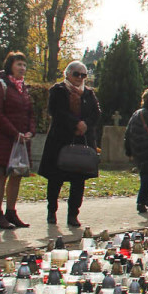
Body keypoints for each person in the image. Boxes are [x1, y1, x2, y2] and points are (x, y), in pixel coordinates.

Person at [38, 60, 101, 228]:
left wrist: (85, 124)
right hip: (60, 140)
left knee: (79, 180)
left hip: (83, 141)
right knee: (55, 179)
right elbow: (56, 111)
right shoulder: (57, 90)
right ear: (67, 74)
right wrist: (75, 123)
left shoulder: (89, 93)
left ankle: (73, 214)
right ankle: (52, 211)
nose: (80, 78)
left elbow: (96, 113)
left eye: (83, 75)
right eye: (76, 74)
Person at [0, 51, 35, 229]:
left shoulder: (24, 89)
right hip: (4, 140)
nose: (22, 68)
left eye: (24, 65)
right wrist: (14, 133)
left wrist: (31, 131)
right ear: (10, 66)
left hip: (21, 141)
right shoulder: (1, 86)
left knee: (17, 176)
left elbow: (30, 113)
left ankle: (11, 212)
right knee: (1, 175)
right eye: (18, 64)